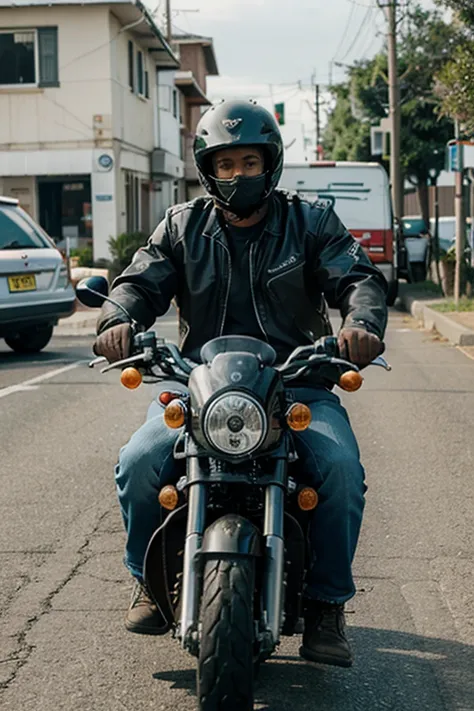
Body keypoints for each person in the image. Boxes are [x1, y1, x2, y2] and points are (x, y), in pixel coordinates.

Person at [93, 99, 388, 668]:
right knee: (139, 460)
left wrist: (361, 324)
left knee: (341, 472)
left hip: (295, 382)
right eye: (225, 165)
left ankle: (326, 605)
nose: (237, 176)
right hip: (199, 387)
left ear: (270, 165)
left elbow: (357, 278)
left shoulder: (311, 222)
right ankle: (150, 583)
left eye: (248, 162)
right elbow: (140, 281)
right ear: (208, 169)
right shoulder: (182, 226)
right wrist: (116, 320)